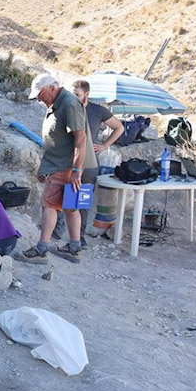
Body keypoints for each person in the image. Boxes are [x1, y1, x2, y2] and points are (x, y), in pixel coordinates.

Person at [20, 73, 87, 264]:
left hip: (64, 166)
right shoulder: (58, 103)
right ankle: (74, 248)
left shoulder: (69, 104)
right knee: (70, 206)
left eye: (41, 94)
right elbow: (56, 139)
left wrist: (76, 171)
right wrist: (46, 167)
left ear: (51, 87)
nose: (39, 99)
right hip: (61, 164)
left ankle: (41, 250)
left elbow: (80, 139)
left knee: (48, 205)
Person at [54, 79, 123, 243]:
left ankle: (80, 237)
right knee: (63, 195)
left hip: (89, 162)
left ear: (87, 94)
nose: (74, 98)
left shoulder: (97, 110)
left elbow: (119, 127)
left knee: (83, 200)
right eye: (72, 94)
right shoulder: (66, 108)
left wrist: (104, 145)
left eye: (77, 95)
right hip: (68, 160)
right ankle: (56, 231)